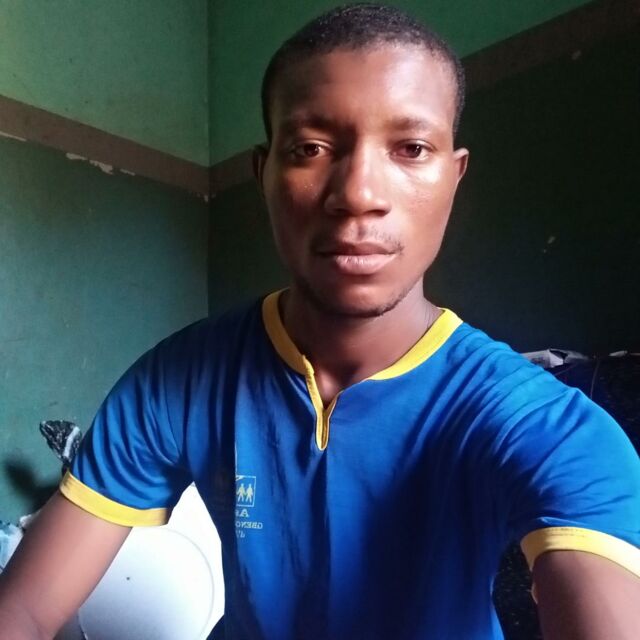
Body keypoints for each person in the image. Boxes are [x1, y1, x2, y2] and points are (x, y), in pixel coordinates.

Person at [1, 4, 639, 639]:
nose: (359, 194)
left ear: (453, 177)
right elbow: (24, 610)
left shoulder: (539, 424)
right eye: (310, 148)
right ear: (264, 174)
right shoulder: (180, 381)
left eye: (411, 148)